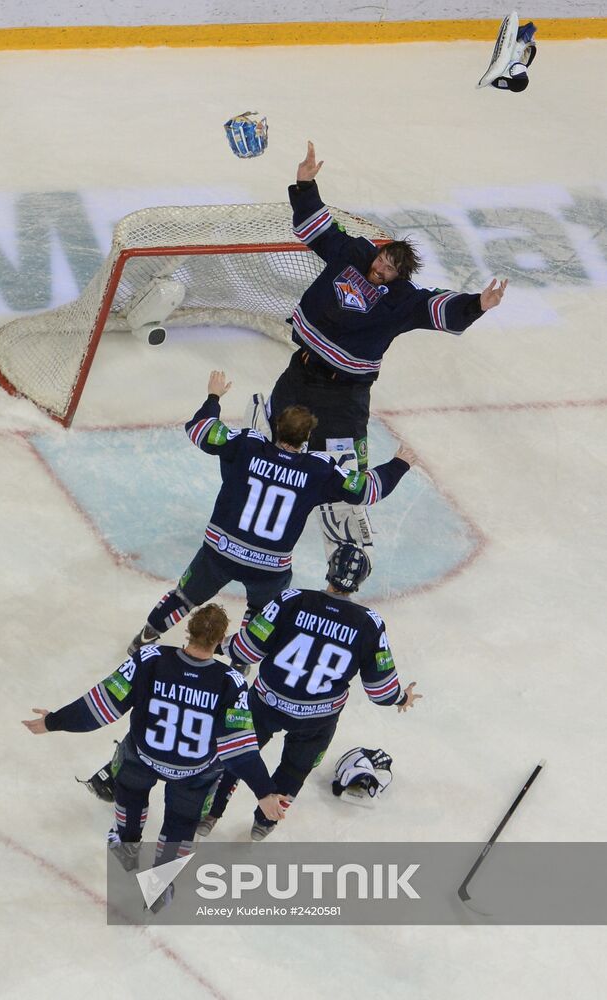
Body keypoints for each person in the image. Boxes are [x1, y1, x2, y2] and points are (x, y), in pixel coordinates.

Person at [127, 369, 417, 656]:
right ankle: (241, 663)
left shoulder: (247, 445)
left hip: (220, 551)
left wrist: (213, 397)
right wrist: (399, 464)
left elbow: (200, 429)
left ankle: (144, 638)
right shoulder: (318, 469)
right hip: (269, 568)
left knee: (183, 598)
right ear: (307, 438)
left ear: (277, 426)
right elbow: (367, 490)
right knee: (260, 615)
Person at [261, 141, 507, 471]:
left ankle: (342, 496)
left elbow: (437, 308)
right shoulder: (352, 254)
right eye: (381, 260)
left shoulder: (403, 301)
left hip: (346, 392)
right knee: (280, 435)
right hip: (302, 369)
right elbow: (318, 227)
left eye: (389, 269)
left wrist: (478, 304)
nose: (379, 268)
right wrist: (305, 184)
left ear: (398, 276)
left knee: (345, 467)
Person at [22, 604, 286, 907]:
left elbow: (101, 705)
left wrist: (53, 721)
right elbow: (239, 747)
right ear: (220, 639)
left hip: (142, 758)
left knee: (131, 796)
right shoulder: (232, 681)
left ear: (188, 630)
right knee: (181, 823)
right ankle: (158, 888)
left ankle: (127, 846)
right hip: (194, 772)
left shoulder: (150, 658)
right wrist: (264, 792)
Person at [196, 543, 422, 842]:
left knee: (237, 753)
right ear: (360, 581)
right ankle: (264, 823)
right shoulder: (369, 623)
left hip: (266, 702)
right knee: (295, 769)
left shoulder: (292, 599)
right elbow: (380, 690)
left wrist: (220, 644)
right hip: (317, 720)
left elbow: (247, 649)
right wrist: (401, 698)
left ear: (329, 570)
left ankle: (209, 814)